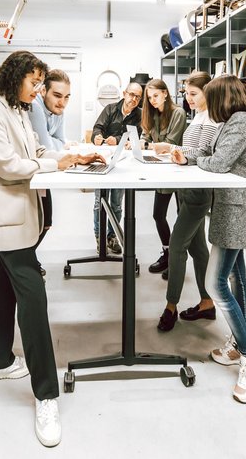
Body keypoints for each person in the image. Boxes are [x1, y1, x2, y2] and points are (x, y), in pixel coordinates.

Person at [0, 50, 102, 446]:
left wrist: (71, 157)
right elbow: (6, 164)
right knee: (33, 295)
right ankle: (46, 393)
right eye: (34, 83)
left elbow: (36, 152)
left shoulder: (18, 110)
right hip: (6, 214)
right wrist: (53, 166)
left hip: (17, 215)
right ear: (15, 78)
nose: (39, 90)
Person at [171, 75, 246, 404]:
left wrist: (201, 159)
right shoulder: (231, 121)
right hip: (228, 205)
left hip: (235, 209)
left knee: (216, 285)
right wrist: (192, 156)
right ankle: (240, 344)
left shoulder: (240, 122)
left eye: (210, 98)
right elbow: (209, 152)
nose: (207, 105)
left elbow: (219, 161)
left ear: (224, 97)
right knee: (237, 279)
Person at [151, 72, 220, 331]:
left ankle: (171, 306)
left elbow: (203, 153)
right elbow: (191, 151)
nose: (188, 99)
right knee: (198, 250)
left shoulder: (211, 119)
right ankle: (206, 302)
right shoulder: (198, 116)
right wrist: (173, 150)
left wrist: (174, 151)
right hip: (187, 189)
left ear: (207, 92)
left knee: (178, 246)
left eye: (193, 94)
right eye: (186, 94)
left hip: (198, 193)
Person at [26, 69, 72, 275]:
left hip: (44, 172)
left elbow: (60, 144)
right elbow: (47, 148)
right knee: (38, 223)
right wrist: (54, 143)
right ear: (43, 91)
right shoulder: (35, 107)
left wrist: (54, 143)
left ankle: (28, 260)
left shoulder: (58, 110)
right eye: (57, 95)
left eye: (67, 97)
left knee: (45, 223)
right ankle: (26, 263)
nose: (62, 102)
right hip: (31, 173)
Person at [139, 79, 186, 274]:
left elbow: (170, 143)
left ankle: (177, 259)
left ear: (166, 93)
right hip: (162, 171)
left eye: (155, 96)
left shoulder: (178, 113)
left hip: (180, 171)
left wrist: (148, 145)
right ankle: (167, 254)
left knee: (181, 218)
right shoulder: (153, 115)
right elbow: (146, 136)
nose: (152, 101)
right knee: (158, 215)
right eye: (149, 98)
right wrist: (141, 142)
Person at [90, 81, 142, 253]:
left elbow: (137, 137)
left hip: (123, 163)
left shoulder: (140, 115)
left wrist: (118, 140)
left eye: (138, 97)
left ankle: (112, 237)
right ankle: (99, 237)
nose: (133, 99)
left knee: (116, 204)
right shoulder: (110, 109)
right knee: (99, 202)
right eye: (131, 94)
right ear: (124, 93)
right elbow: (97, 128)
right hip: (103, 160)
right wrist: (97, 136)